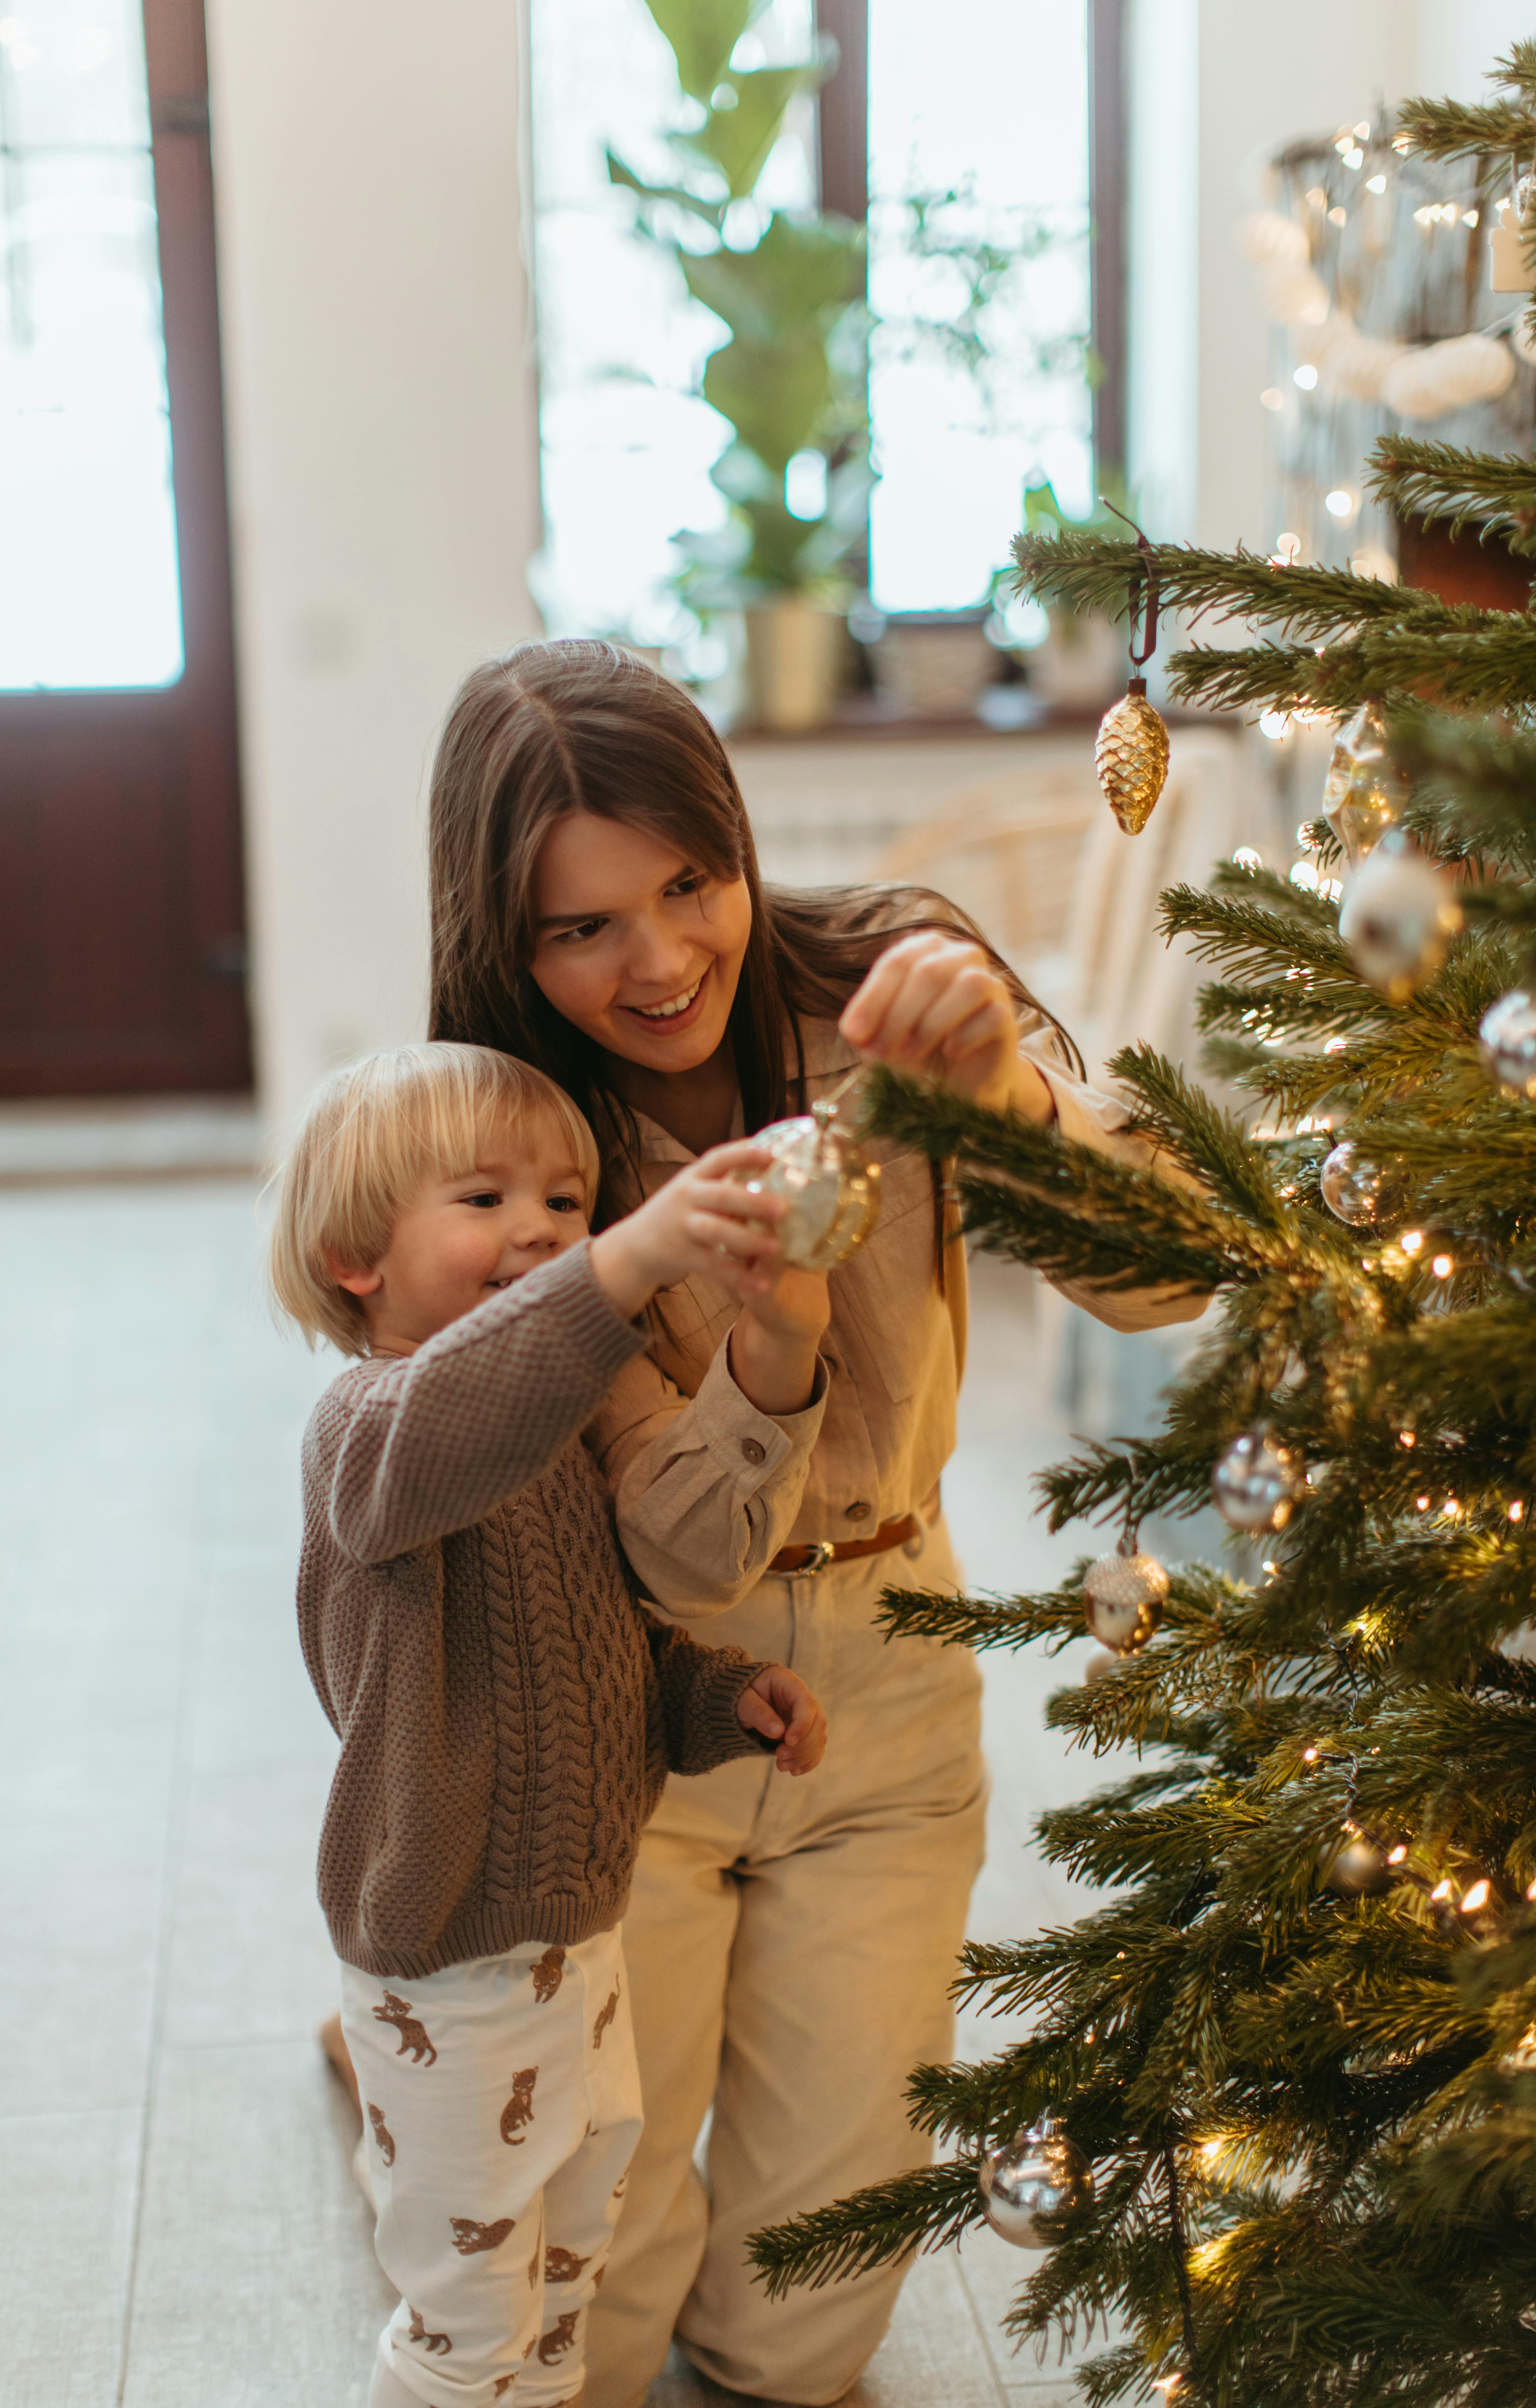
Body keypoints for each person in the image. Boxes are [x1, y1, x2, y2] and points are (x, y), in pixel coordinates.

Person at [425, 640, 1207, 2408]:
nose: (662, 959)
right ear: (506, 938)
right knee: (591, 2343)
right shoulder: (509, 1141)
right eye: (582, 928)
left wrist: (1005, 1090)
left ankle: (476, 2081)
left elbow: (1166, 1281)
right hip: (632, 1723)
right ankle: (427, 2076)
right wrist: (768, 1341)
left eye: (689, 883)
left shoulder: (886, 981)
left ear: (736, 840)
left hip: (895, 1684)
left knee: (792, 2342)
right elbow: (680, 1556)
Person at [271, 1041, 827, 2408]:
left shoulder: (557, 1437)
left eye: (570, 1203)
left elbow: (596, 1644)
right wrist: (622, 1264)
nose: (541, 1229)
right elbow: (448, 1425)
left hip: (578, 1935)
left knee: (570, 2273)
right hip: (448, 1955)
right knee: (466, 2325)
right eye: (484, 1201)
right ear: (357, 1257)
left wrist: (712, 1697)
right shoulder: (370, 1429)